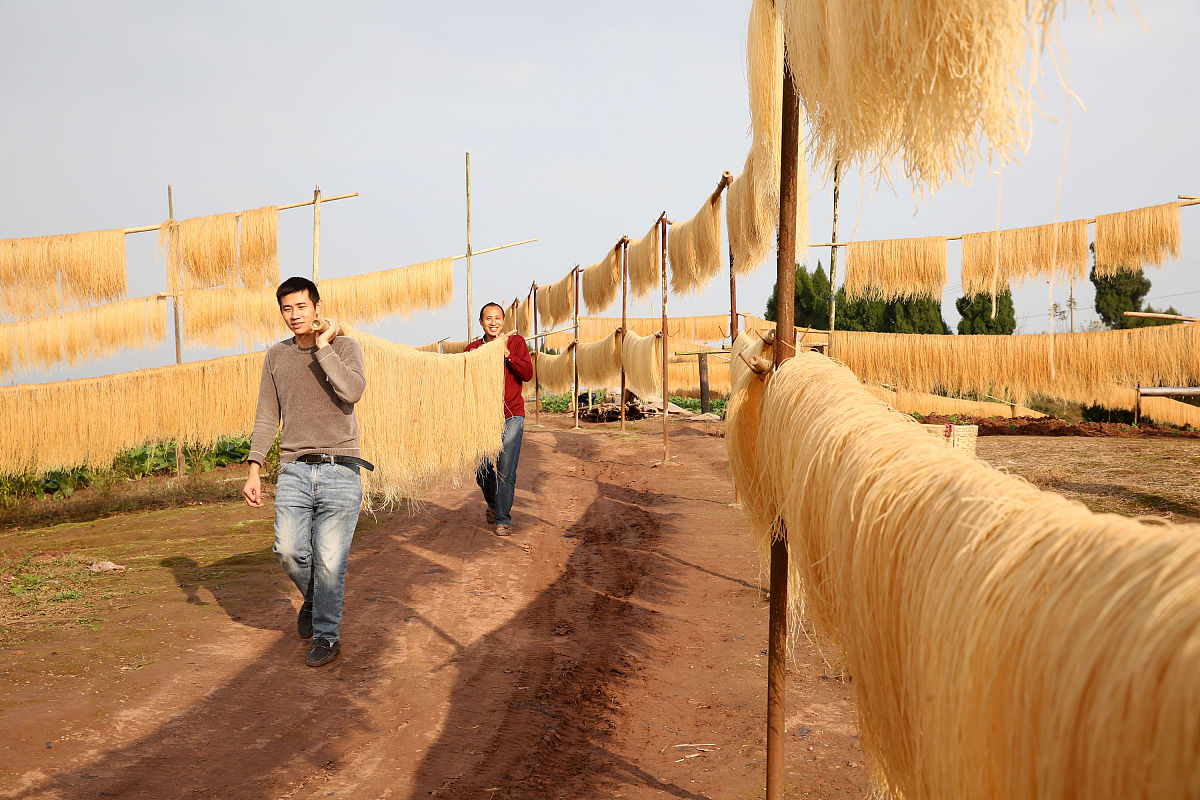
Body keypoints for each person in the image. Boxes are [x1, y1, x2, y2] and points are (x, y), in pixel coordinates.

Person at [242, 276, 370, 667]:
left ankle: (327, 637)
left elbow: (352, 391)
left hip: (341, 469)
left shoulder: (345, 346)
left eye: (301, 307)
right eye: (286, 308)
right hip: (295, 470)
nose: (294, 315)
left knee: (331, 561)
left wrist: (323, 346)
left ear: (316, 308)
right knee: (288, 550)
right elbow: (267, 416)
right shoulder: (276, 357)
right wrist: (254, 467)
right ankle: (316, 598)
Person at [465, 302, 533, 535]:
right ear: (481, 322)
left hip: (512, 414)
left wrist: (506, 353)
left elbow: (527, 373)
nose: (493, 322)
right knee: (482, 468)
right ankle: (494, 505)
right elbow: (466, 382)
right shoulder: (472, 349)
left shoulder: (516, 343)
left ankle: (503, 519)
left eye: (497, 318)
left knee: (506, 470)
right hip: (482, 416)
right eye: (488, 318)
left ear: (503, 321)